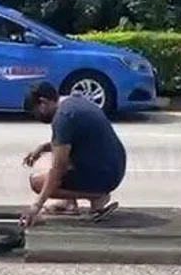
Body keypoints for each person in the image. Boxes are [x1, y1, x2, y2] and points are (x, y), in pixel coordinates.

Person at [20, 82, 126, 227]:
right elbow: (73, 141)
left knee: (37, 182)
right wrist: (44, 148)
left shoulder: (63, 117)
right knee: (60, 156)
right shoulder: (73, 102)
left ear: (43, 103)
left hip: (105, 175)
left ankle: (98, 196)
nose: (37, 117)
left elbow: (58, 169)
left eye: (36, 112)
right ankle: (69, 204)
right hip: (114, 166)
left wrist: (36, 206)